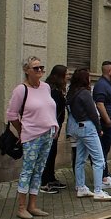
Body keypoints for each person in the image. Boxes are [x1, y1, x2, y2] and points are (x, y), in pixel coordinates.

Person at [6, 56, 58, 219]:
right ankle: (21, 207)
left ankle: (33, 205)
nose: (40, 71)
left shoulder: (46, 87)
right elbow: (12, 114)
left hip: (47, 133)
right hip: (31, 135)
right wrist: (22, 130)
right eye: (36, 68)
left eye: (42, 67)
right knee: (28, 170)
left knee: (39, 170)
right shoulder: (21, 90)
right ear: (27, 71)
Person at [66, 69, 111, 201]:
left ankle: (81, 186)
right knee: (99, 160)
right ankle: (98, 190)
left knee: (80, 159)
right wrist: (99, 128)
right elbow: (93, 112)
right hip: (88, 127)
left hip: (78, 127)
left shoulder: (71, 93)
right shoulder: (85, 93)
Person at [40, 65, 69, 194]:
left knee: (53, 153)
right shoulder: (51, 90)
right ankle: (44, 182)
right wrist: (54, 127)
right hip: (51, 126)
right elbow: (51, 110)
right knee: (48, 154)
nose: (68, 76)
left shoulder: (56, 89)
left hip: (56, 125)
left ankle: (51, 178)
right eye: (66, 74)